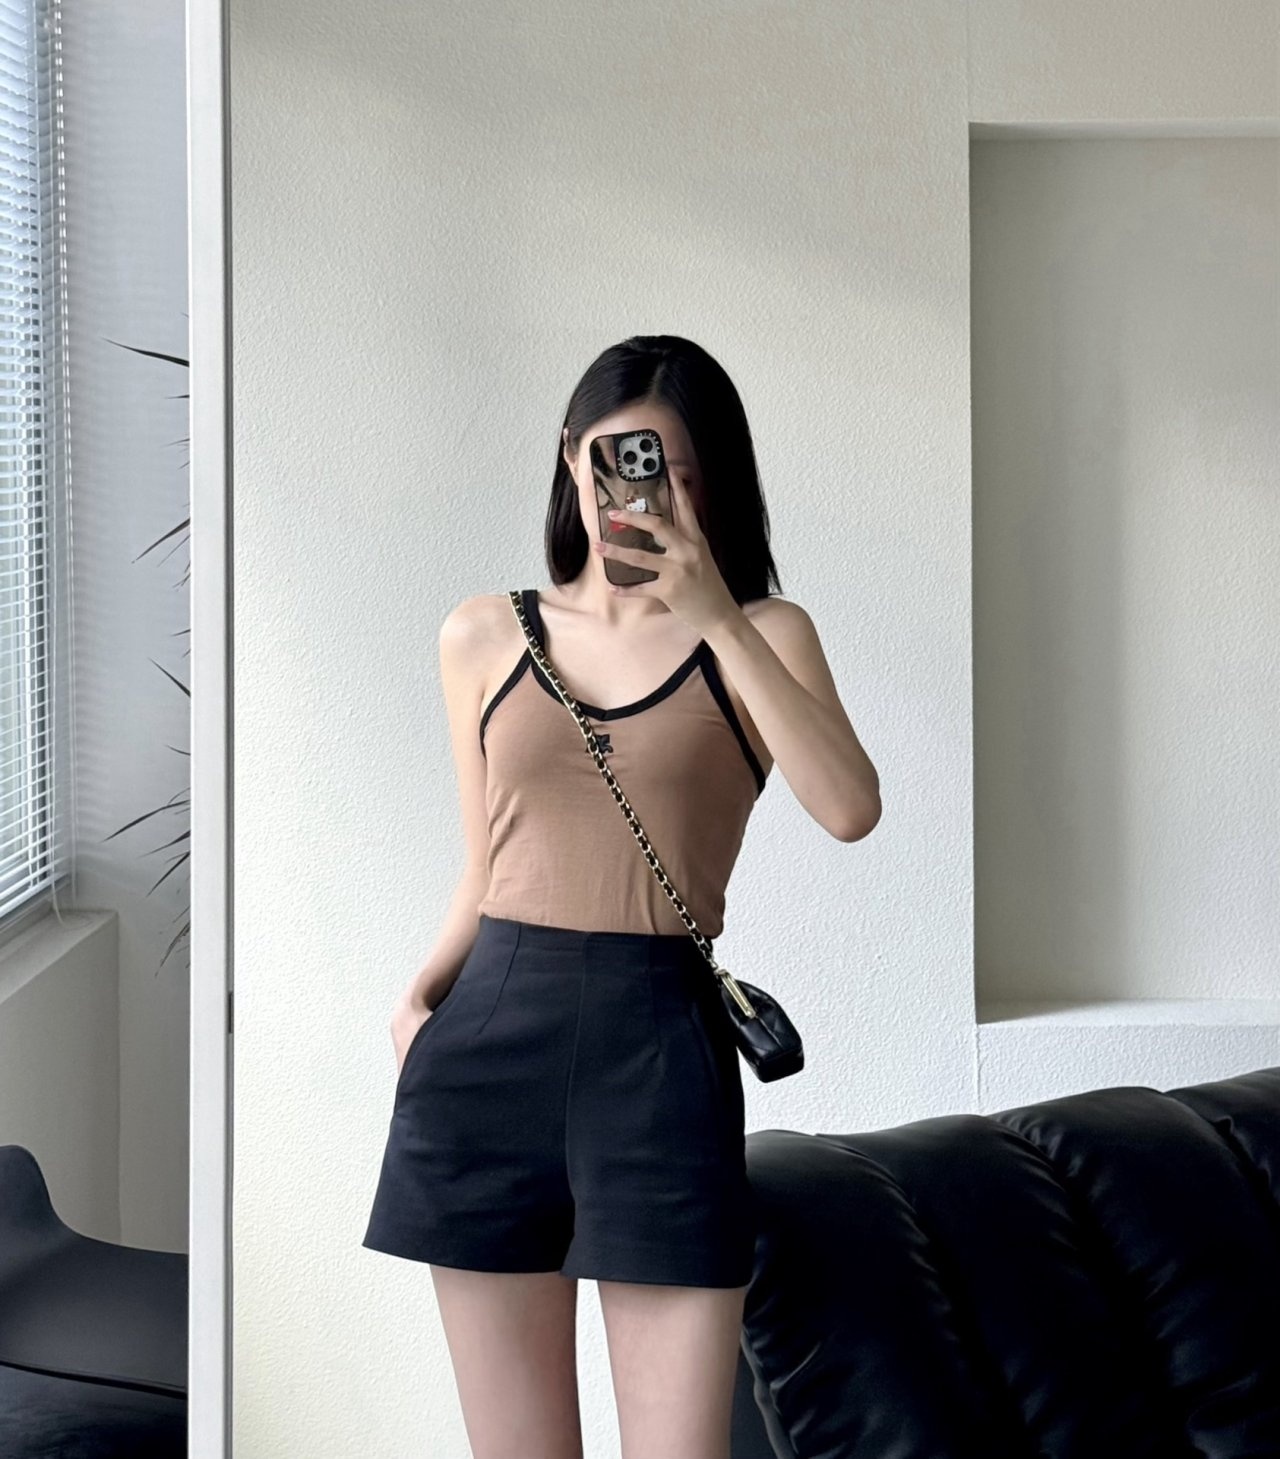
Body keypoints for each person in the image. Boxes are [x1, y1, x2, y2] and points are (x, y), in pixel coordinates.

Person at [362, 334, 881, 1459]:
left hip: (658, 1053)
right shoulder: (482, 634)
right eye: (612, 463)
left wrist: (715, 613)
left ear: (710, 485)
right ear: (570, 460)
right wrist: (417, 998)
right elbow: (487, 865)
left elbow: (849, 807)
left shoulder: (763, 635)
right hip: (488, 1045)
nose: (633, 495)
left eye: (669, 471)